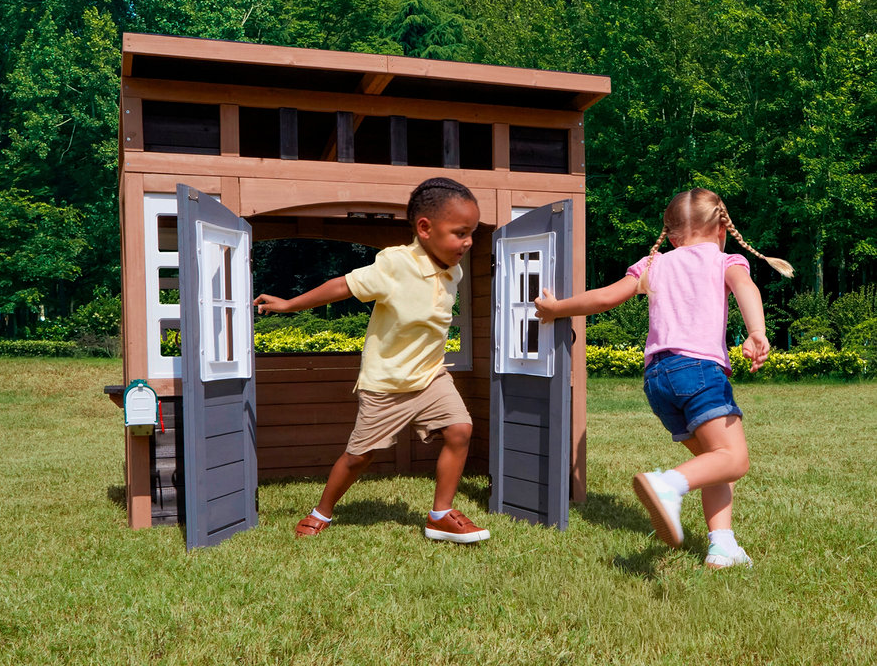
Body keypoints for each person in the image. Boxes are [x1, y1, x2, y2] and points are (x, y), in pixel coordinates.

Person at [535, 188, 793, 568]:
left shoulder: (654, 263)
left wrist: (556, 308)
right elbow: (746, 287)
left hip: (658, 379)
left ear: (671, 236)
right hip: (698, 371)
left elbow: (605, 298)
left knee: (715, 463)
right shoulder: (726, 260)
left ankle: (723, 546)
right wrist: (757, 332)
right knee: (734, 459)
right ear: (722, 229)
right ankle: (667, 484)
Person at [253, 177, 490, 544]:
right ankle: (322, 511)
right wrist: (289, 304)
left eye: (471, 232)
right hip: (387, 384)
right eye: (460, 233)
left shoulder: (453, 271)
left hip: (430, 376)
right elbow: (342, 285)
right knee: (360, 456)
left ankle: (440, 515)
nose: (469, 241)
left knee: (460, 430)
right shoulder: (396, 264)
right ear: (425, 228)